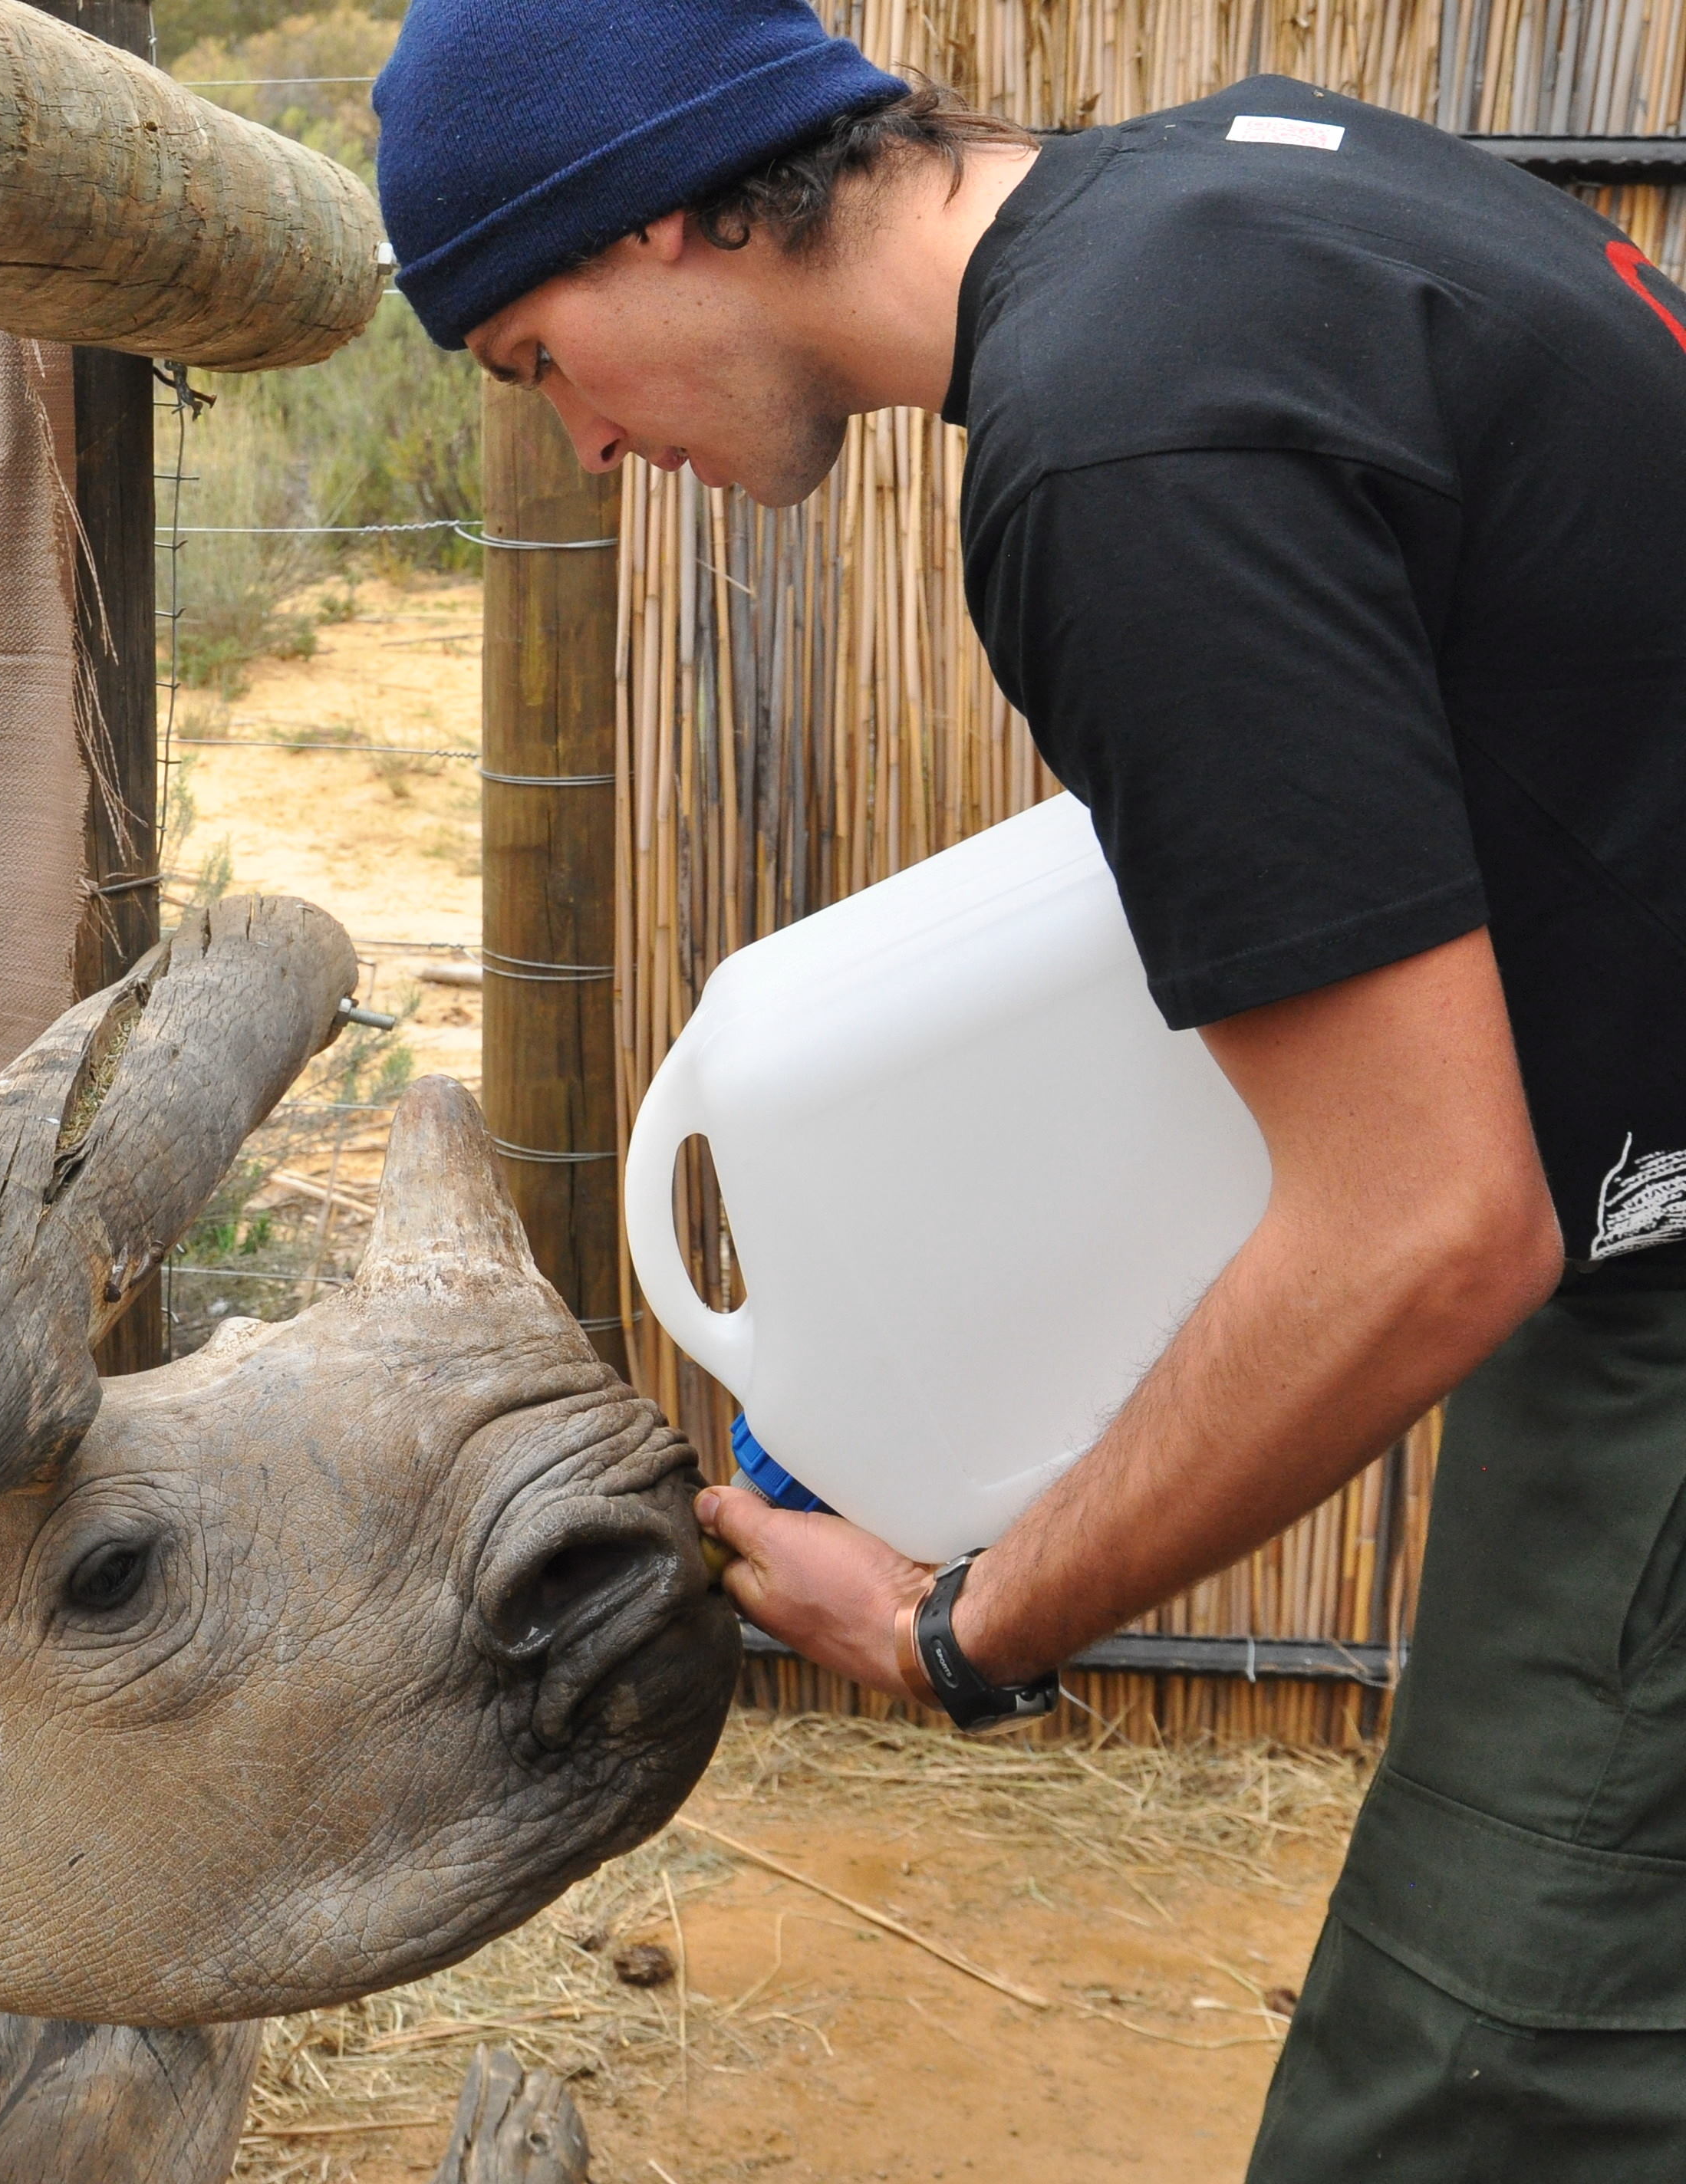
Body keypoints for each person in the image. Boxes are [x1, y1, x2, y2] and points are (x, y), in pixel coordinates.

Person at [370, 2, 1686, 2173]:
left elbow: (1429, 1228)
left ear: (687, 207)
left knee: (1461, 2100)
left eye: (538, 358)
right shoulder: (1253, 183)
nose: (587, 444)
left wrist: (962, 1626)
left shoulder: (1121, 446)